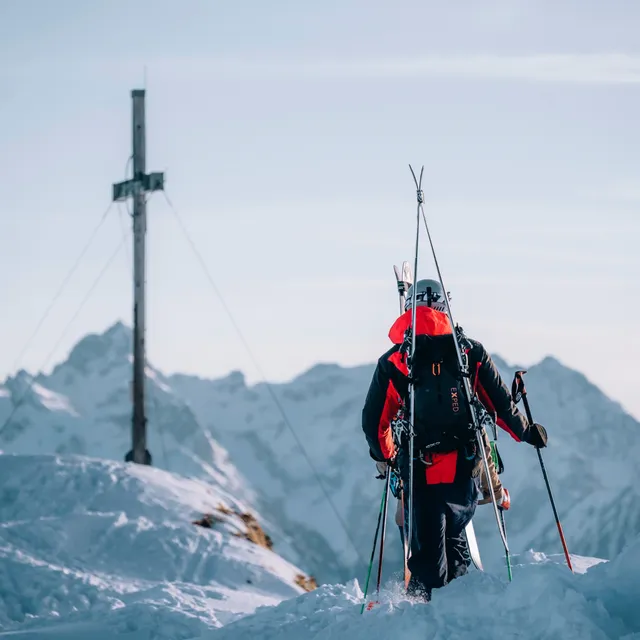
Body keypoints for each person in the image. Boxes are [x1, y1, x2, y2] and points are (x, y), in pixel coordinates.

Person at [361, 278, 547, 601]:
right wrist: (528, 431)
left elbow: (373, 423)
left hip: (421, 479)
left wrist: (388, 455)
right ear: (445, 308)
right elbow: (501, 405)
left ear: (410, 310)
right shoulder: (469, 352)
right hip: (464, 477)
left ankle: (424, 624)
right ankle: (462, 620)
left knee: (428, 574)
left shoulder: (395, 361)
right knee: (456, 550)